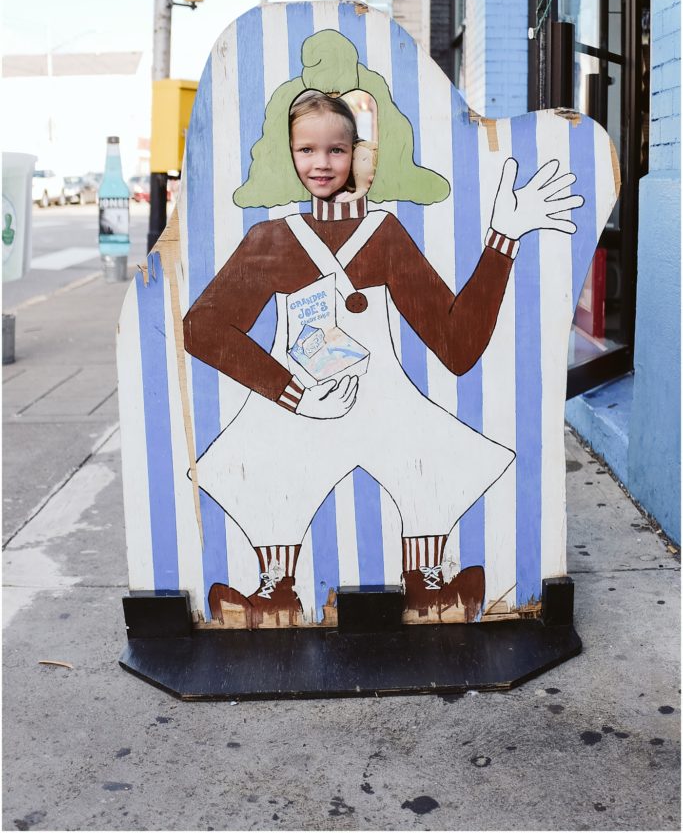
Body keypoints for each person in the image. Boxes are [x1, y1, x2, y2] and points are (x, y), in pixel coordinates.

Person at [184, 89, 583, 629]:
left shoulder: (385, 236)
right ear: (289, 153)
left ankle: (428, 587)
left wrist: (502, 238)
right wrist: (291, 392)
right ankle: (274, 595)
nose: (321, 163)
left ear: (358, 152)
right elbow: (201, 328)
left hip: (385, 406)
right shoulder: (271, 240)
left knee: (429, 462)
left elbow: (458, 347)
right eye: (306, 150)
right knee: (264, 469)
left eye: (336, 149)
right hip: (297, 409)